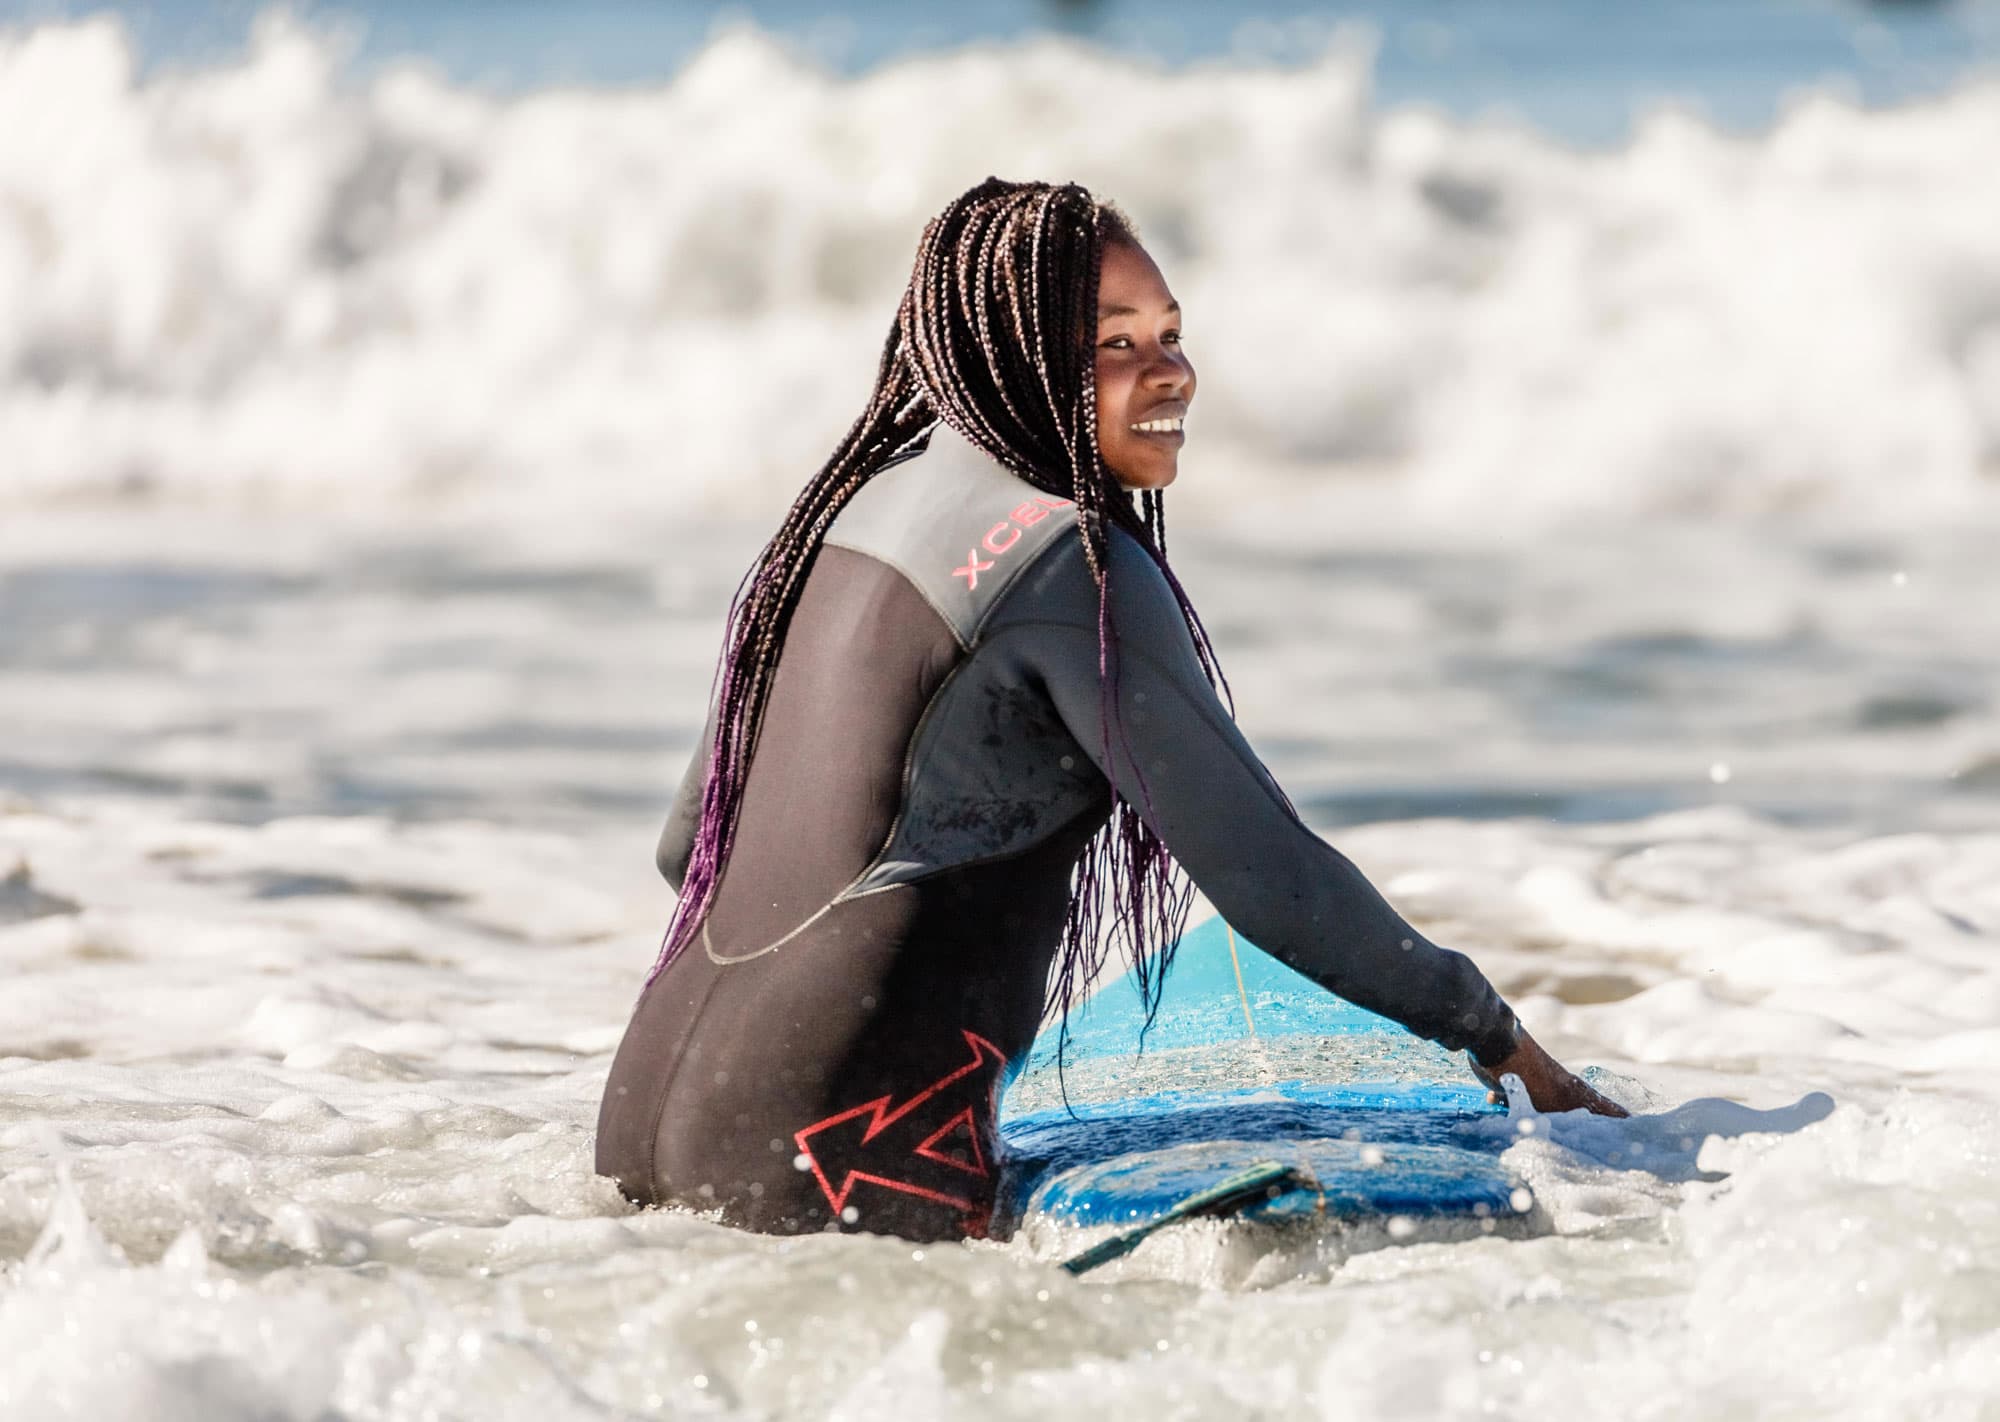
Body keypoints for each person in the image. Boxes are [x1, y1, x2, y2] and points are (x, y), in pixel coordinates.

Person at [595, 178, 1625, 1244]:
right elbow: (1272, 880)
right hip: (821, 1148)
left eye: (1170, 333)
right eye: (1113, 345)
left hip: (640, 1120)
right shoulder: (1061, 562)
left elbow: (690, 850)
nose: (1169, 370)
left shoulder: (835, 519)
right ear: (1012, 355)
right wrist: (1500, 1042)